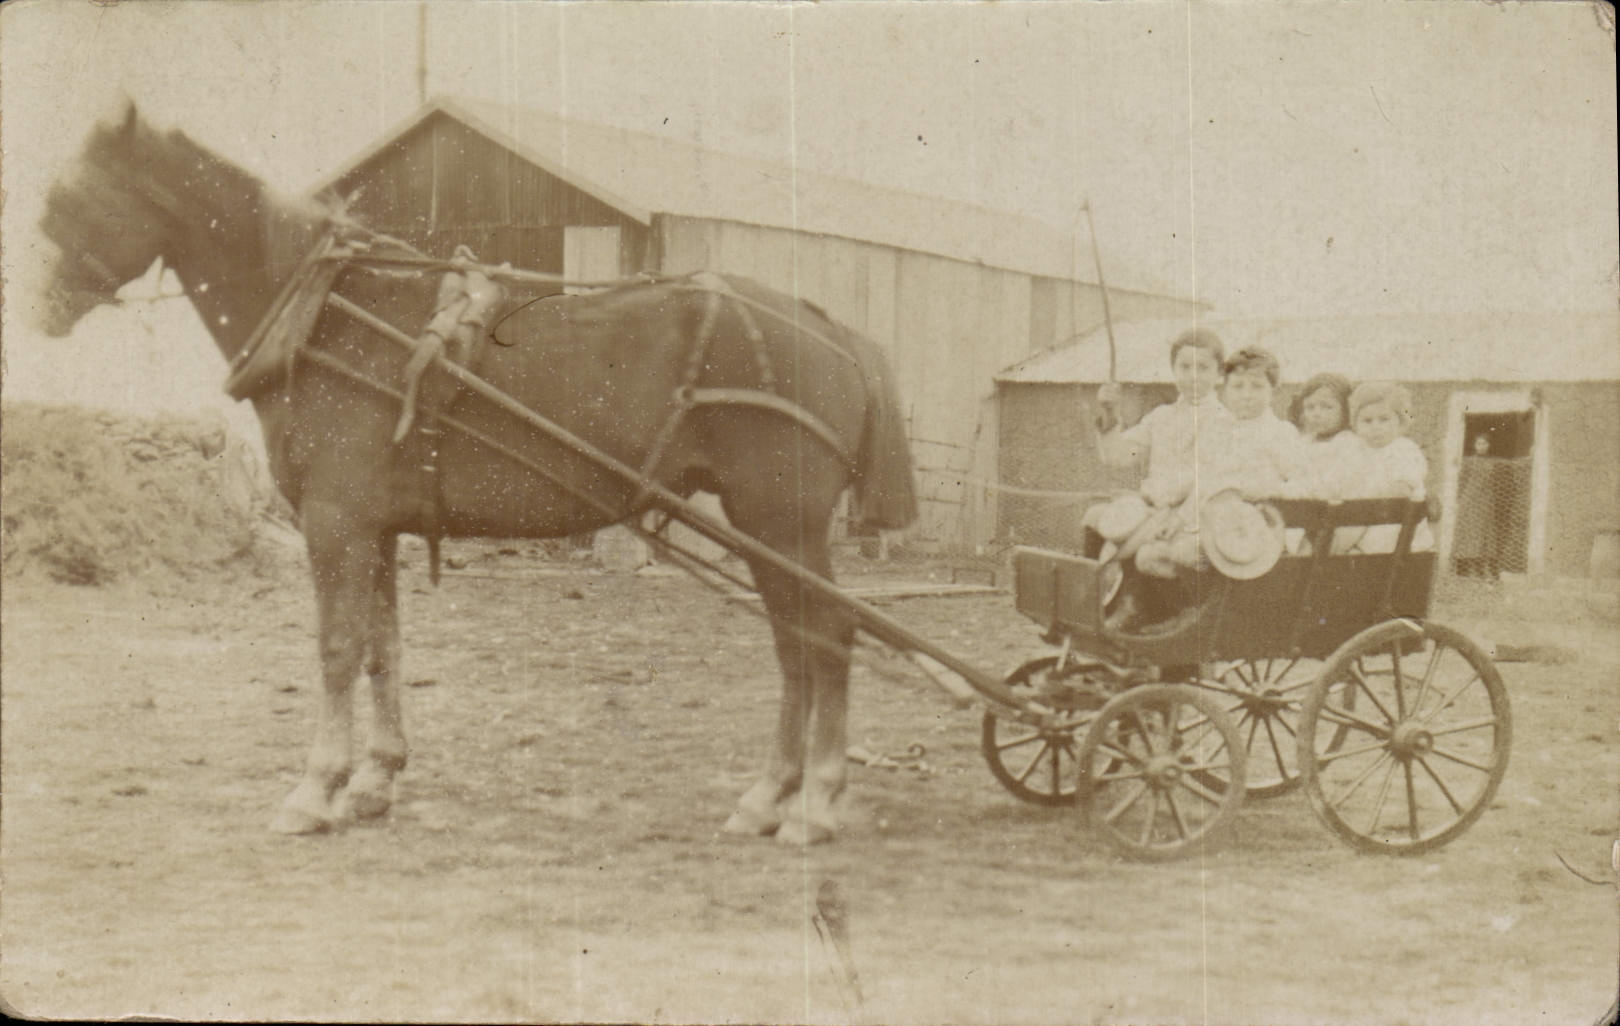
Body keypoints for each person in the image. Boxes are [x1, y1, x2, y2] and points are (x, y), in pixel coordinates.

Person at [1133, 346, 1301, 578]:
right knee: (1148, 554)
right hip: (1213, 523)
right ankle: (1189, 606)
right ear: (1225, 389)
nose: (1247, 395)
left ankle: (1209, 605)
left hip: (1253, 526)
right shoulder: (1220, 431)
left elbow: (1299, 481)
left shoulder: (1280, 433)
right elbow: (1205, 480)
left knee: (1184, 552)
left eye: (1257, 386)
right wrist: (1180, 519)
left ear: (1273, 390)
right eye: (1238, 386)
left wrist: (1258, 491)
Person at [1334, 381, 1435, 554]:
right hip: (1366, 532)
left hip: (1399, 536)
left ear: (1400, 422)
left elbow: (1401, 488)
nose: (1376, 427)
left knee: (1346, 535)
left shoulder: (1404, 449)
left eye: (1384, 419)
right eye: (1367, 421)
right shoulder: (1356, 453)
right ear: (1355, 425)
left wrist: (1364, 513)